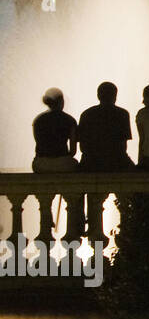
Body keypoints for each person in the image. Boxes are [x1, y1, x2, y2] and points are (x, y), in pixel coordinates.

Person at [77, 81, 133, 241]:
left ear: (98, 96)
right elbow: (123, 145)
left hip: (91, 162)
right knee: (137, 181)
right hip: (116, 161)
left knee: (80, 186)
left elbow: (82, 147)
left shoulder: (86, 114)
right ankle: (132, 221)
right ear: (115, 96)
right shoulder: (123, 114)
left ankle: (80, 222)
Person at [32, 88, 82, 241]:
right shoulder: (70, 120)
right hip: (63, 163)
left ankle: (47, 218)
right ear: (61, 102)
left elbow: (40, 145)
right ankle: (79, 222)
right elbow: (73, 151)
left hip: (42, 163)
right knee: (80, 174)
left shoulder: (38, 120)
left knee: (45, 196)